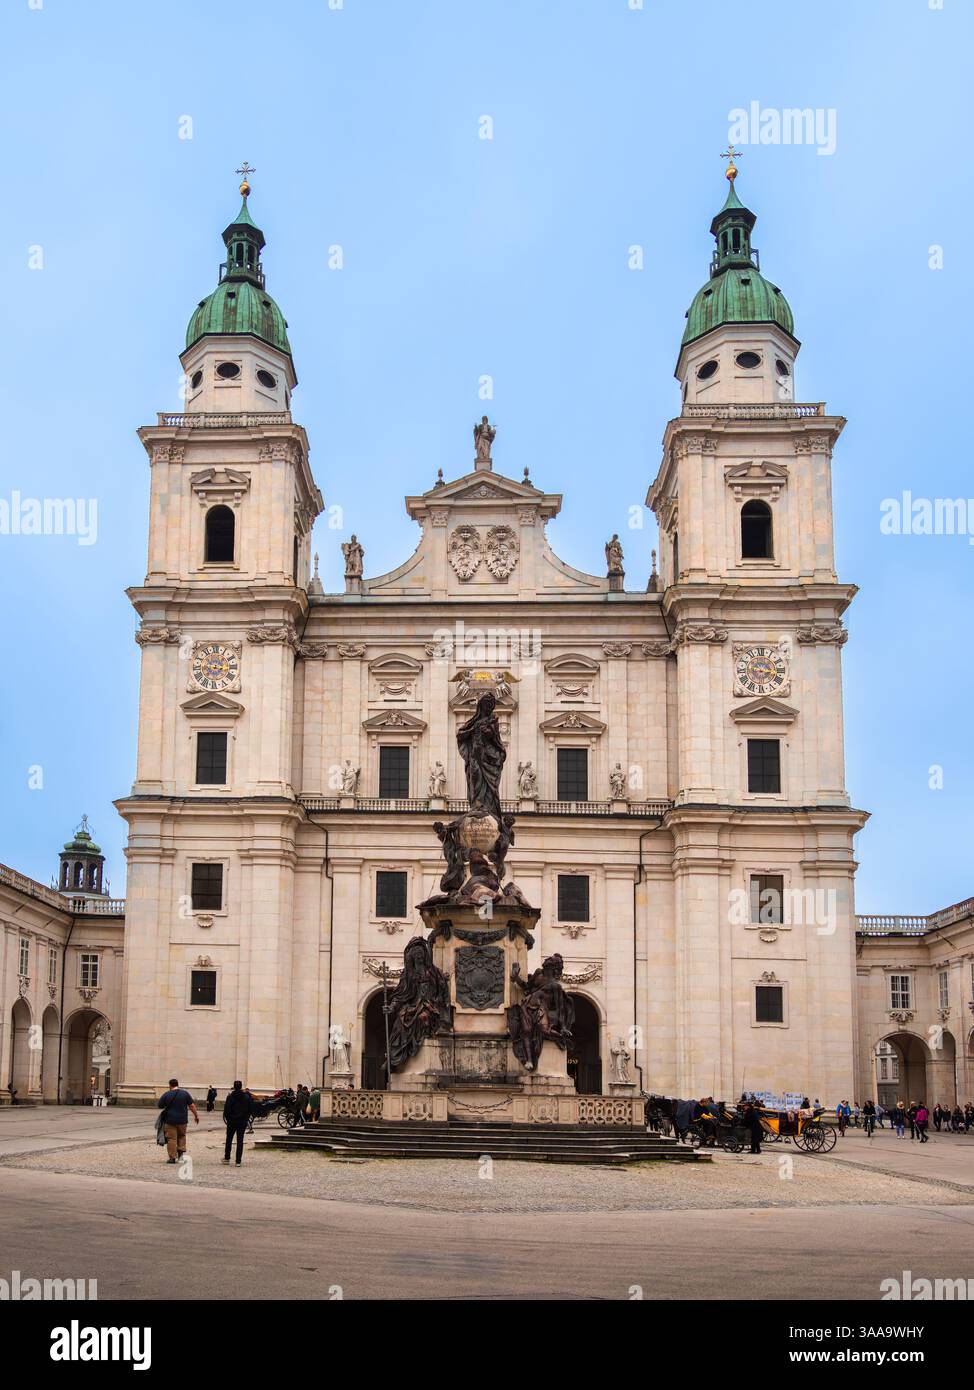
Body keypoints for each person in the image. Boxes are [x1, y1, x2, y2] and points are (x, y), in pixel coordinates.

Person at [156, 1078, 199, 1163]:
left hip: (170, 1121)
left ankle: (172, 1158)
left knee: (171, 1139)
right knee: (182, 1136)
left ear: (170, 1085)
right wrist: (196, 1115)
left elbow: (160, 1105)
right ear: (177, 1084)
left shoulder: (167, 1094)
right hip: (182, 1120)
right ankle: (180, 1156)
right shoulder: (185, 1094)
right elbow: (192, 1106)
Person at [222, 1081, 251, 1166]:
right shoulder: (246, 1097)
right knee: (240, 1141)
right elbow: (249, 1110)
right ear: (241, 1086)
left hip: (232, 1121)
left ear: (234, 1087)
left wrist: (229, 1119)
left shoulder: (230, 1097)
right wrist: (245, 1119)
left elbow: (226, 1110)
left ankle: (227, 1158)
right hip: (242, 1122)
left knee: (229, 1140)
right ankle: (238, 1161)